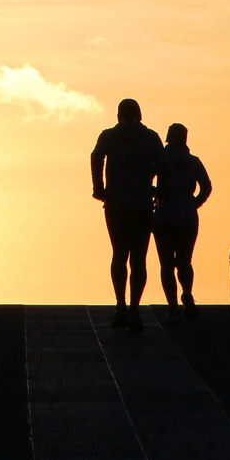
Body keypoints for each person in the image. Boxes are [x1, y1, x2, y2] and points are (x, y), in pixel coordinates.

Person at [91, 98, 165, 331]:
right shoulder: (151, 138)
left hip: (116, 204)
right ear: (140, 115)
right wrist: (158, 188)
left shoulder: (109, 136)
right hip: (142, 205)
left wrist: (99, 188)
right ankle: (134, 308)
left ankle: (120, 305)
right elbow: (165, 167)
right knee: (139, 259)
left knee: (119, 254)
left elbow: (95, 157)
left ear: (118, 115)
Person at [152, 123, 212, 321]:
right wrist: (195, 202)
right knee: (185, 261)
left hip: (164, 214)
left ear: (168, 137)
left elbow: (145, 179)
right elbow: (206, 186)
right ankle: (187, 291)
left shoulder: (160, 159)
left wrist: (154, 194)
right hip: (187, 216)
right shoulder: (193, 161)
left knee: (166, 265)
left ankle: (173, 308)